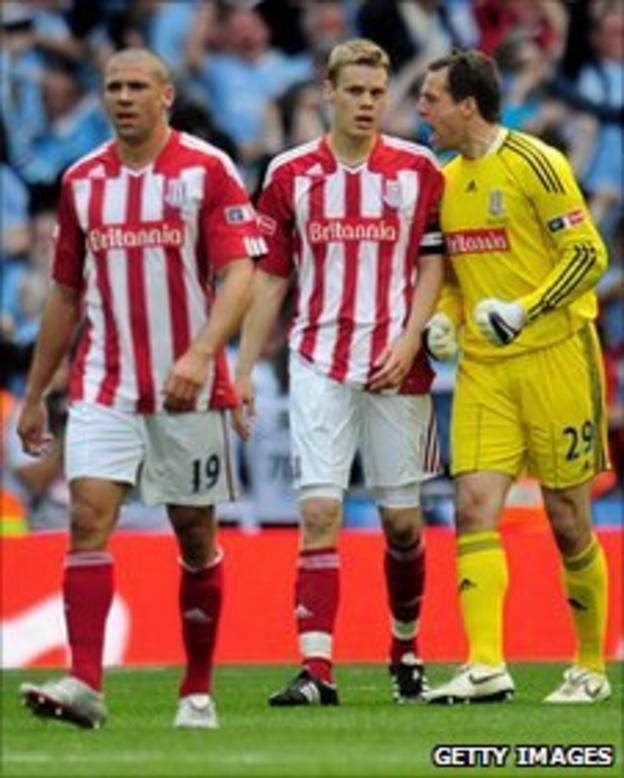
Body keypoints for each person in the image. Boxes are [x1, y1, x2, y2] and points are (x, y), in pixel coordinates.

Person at [16, 47, 265, 729]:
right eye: (113, 87)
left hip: (188, 389)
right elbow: (66, 293)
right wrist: (39, 391)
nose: (123, 97)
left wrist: (203, 353)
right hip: (104, 383)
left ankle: (197, 688)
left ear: (166, 95)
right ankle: (85, 682)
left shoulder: (206, 170)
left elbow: (240, 274)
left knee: (194, 534)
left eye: (136, 87)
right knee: (87, 520)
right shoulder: (81, 182)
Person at [234, 38, 446, 706]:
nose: (366, 103)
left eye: (377, 93)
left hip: (395, 366)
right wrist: (242, 368)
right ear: (328, 92)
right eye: (355, 91)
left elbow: (434, 263)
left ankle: (405, 648)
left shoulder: (418, 169)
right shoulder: (290, 173)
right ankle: (318, 669)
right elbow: (270, 279)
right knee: (320, 510)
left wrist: (412, 340)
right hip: (317, 359)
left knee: (403, 526)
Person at [417, 49, 611, 704]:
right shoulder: (445, 183)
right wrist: (445, 319)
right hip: (484, 368)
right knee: (472, 506)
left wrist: (526, 308)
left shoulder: (538, 163)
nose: (422, 110)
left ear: (467, 104)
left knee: (565, 516)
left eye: (431, 98)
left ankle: (589, 668)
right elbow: (451, 280)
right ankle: (485, 665)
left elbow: (589, 253)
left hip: (556, 355)